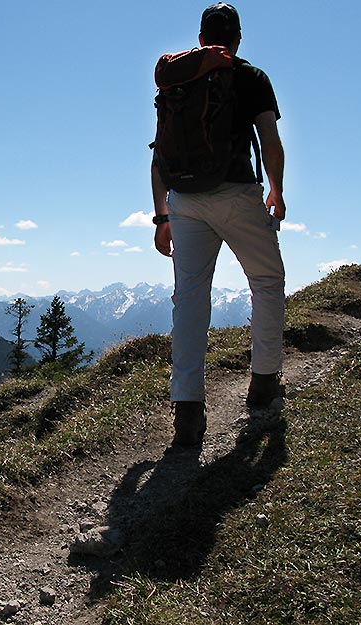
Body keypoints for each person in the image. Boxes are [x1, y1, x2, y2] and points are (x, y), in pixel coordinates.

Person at [151, 3, 287, 446]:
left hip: (184, 200)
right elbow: (269, 139)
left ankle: (187, 412)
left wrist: (162, 215)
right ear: (238, 38)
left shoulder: (178, 80)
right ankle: (264, 382)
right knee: (266, 281)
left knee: (189, 300)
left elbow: (159, 153)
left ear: (200, 36)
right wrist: (276, 191)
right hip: (235, 193)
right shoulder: (250, 77)